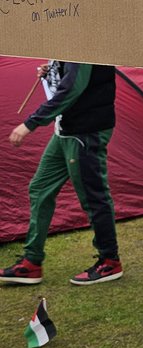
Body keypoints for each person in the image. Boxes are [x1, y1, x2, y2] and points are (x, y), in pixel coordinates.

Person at [0, 60, 123, 286]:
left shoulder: (83, 43)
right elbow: (70, 80)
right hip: (65, 130)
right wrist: (54, 72)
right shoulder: (67, 43)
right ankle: (32, 262)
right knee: (40, 188)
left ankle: (109, 260)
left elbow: (73, 88)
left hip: (87, 131)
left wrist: (31, 123)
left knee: (93, 196)